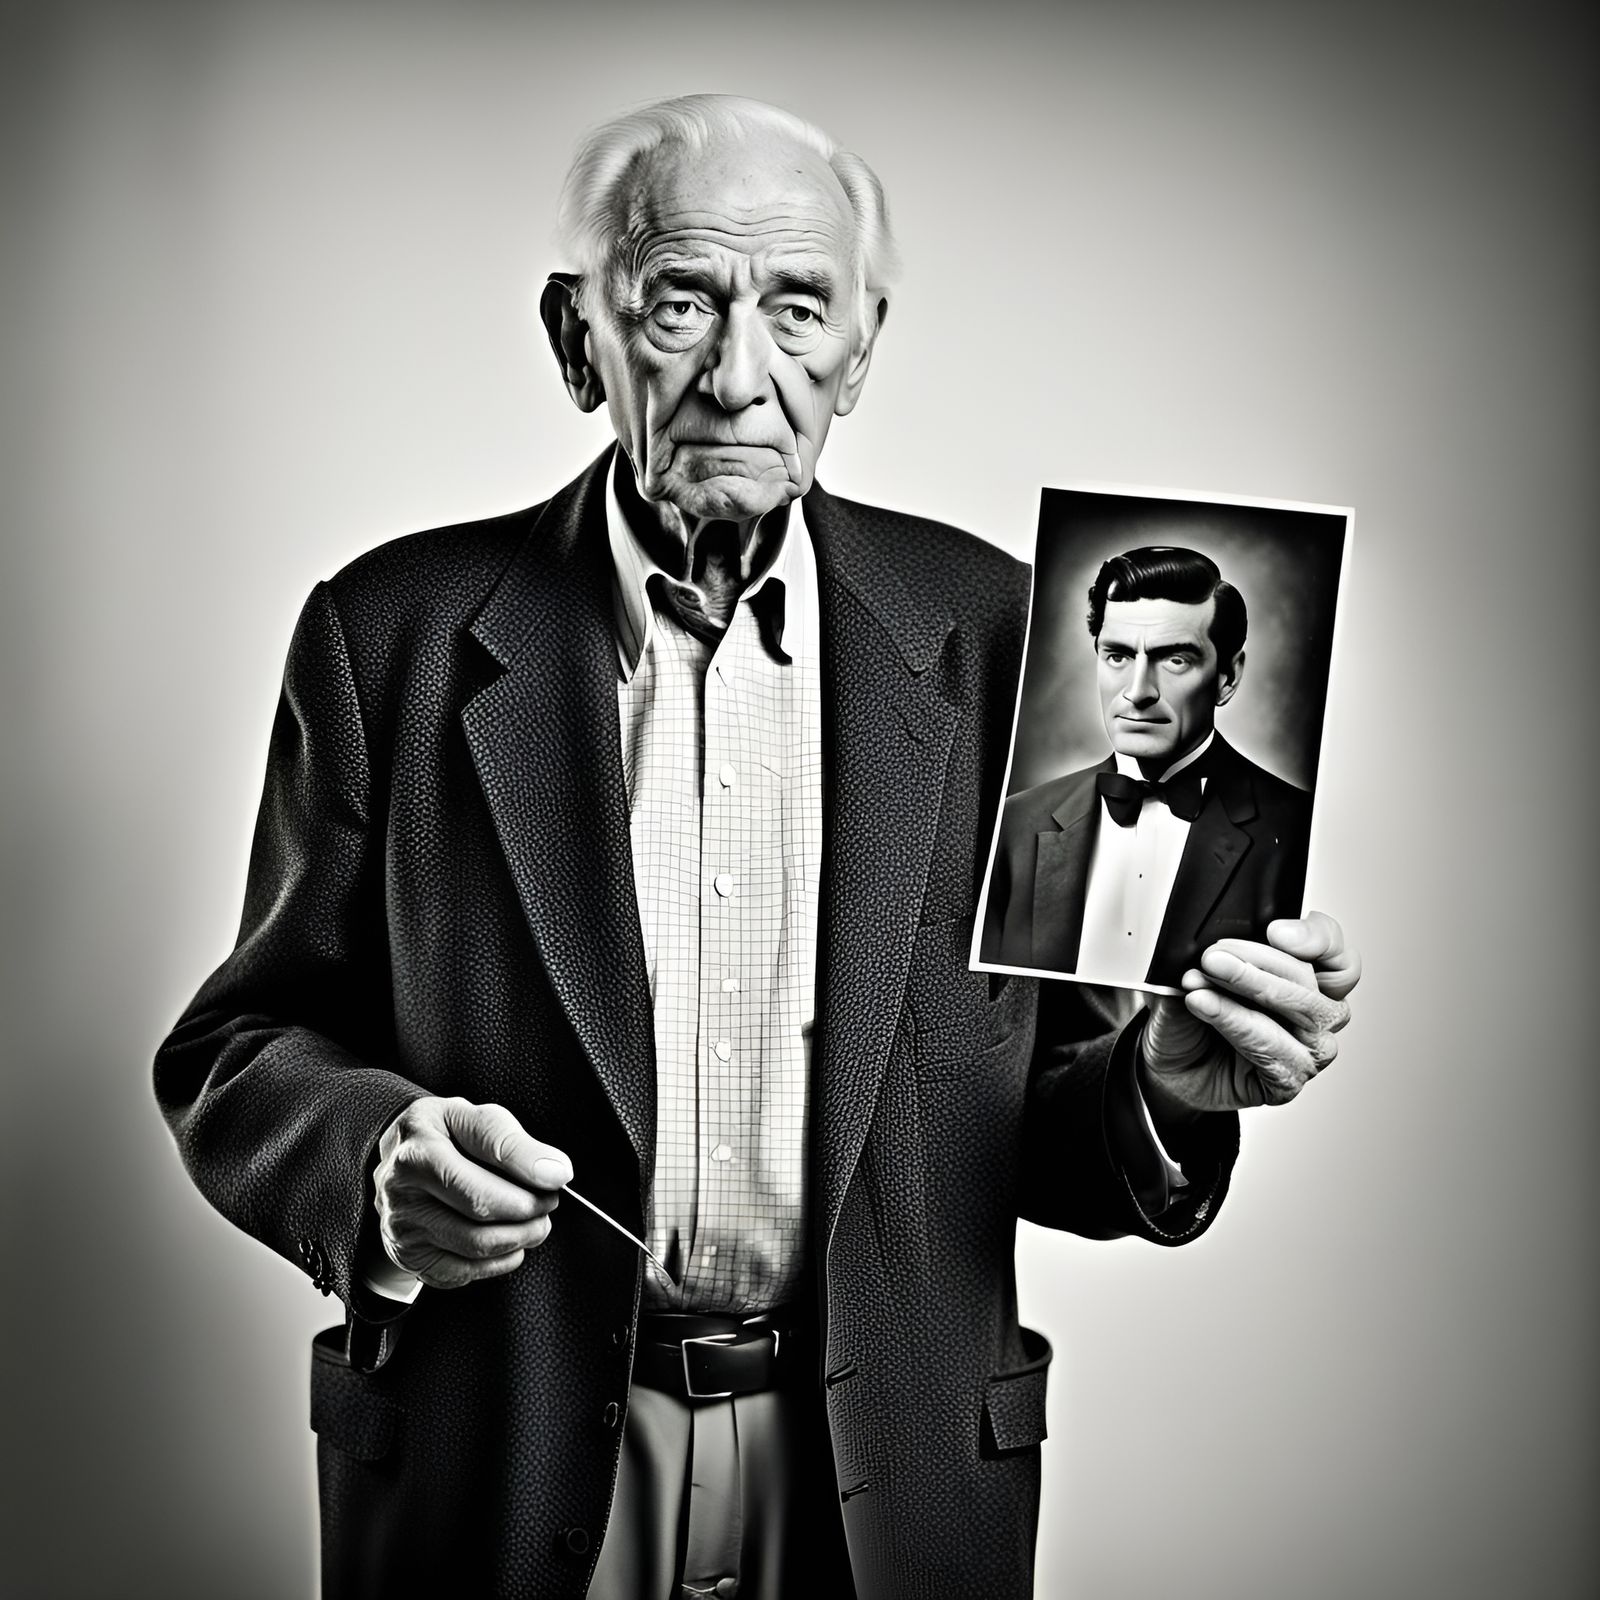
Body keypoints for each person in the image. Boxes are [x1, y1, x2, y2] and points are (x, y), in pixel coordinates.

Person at [154, 96, 1360, 1600]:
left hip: (887, 1480)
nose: (740, 375)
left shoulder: (1000, 643)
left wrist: (1168, 1086)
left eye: (799, 309)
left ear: (862, 347)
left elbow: (1025, 1126)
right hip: (502, 1458)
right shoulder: (385, 635)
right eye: (680, 304)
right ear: (574, 336)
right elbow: (237, 1046)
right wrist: (377, 1158)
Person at [981, 545, 1312, 988]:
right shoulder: (1016, 823)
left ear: (1227, 678)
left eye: (1175, 659)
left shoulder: (1297, 830)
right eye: (1117, 656)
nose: (1137, 692)